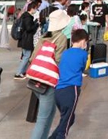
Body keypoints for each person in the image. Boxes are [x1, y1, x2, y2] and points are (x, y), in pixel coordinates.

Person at [30, 9, 71, 139]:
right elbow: (59, 61)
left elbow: (32, 58)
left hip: (36, 79)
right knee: (42, 118)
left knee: (49, 113)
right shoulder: (62, 38)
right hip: (49, 81)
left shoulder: (44, 36)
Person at [49, 29, 89, 139]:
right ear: (83, 41)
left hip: (58, 91)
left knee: (68, 119)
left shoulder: (65, 53)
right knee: (64, 129)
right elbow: (82, 68)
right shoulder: (83, 54)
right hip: (71, 90)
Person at [14, 1, 40, 79]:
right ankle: (18, 73)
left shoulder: (25, 16)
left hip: (24, 38)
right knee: (26, 56)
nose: (36, 10)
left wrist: (35, 22)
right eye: (35, 8)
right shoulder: (28, 17)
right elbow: (29, 29)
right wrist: (36, 24)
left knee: (26, 56)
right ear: (32, 8)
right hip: (26, 39)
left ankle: (22, 72)